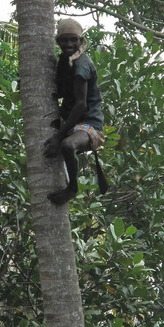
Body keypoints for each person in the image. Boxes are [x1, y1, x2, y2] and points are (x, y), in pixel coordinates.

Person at [43, 18, 108, 204]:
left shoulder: (81, 65)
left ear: (81, 42)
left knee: (67, 146)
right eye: (64, 40)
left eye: (73, 40)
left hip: (89, 125)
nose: (69, 44)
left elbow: (81, 105)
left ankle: (72, 188)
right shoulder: (65, 61)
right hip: (72, 124)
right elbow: (63, 90)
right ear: (58, 42)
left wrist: (58, 137)